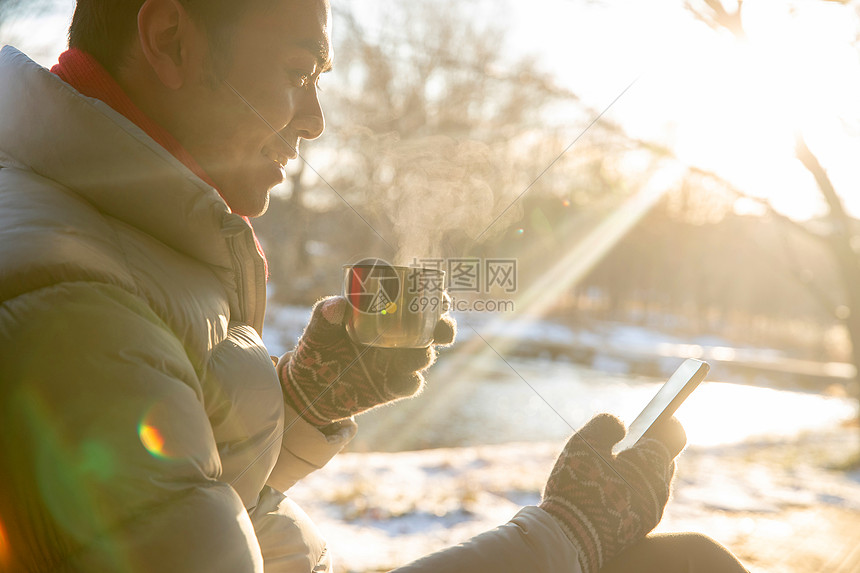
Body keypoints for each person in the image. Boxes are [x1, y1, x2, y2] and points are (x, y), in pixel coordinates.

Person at [0, 0, 750, 571]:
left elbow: (192, 493)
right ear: (169, 40)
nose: (315, 120)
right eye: (297, 73)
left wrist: (309, 397)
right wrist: (568, 535)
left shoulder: (101, 235)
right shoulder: (80, 309)